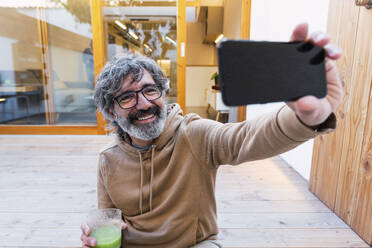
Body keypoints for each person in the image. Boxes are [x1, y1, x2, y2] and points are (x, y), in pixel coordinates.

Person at [80, 23, 343, 248]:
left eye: (150, 90)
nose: (144, 103)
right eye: (126, 97)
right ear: (111, 112)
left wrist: (303, 118)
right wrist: (93, 237)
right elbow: (108, 221)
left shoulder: (194, 135)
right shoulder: (108, 159)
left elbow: (247, 137)